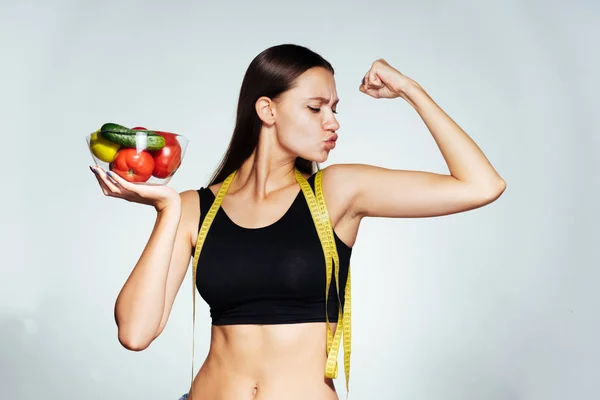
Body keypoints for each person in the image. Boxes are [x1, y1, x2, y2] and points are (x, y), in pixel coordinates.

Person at [89, 44, 506, 400]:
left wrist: (411, 90)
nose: (333, 122)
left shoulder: (338, 192)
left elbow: (481, 185)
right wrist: (166, 210)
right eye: (315, 107)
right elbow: (135, 333)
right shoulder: (194, 208)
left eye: (335, 109)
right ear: (267, 110)